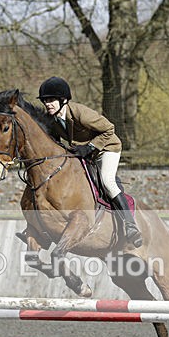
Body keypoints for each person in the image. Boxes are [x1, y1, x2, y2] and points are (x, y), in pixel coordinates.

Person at [37, 76, 142, 248]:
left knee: (107, 181)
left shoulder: (79, 112)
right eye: (45, 101)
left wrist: (90, 147)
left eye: (51, 100)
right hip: (86, 153)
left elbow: (109, 129)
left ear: (63, 100)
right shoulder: (53, 120)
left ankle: (130, 225)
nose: (48, 104)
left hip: (107, 147)